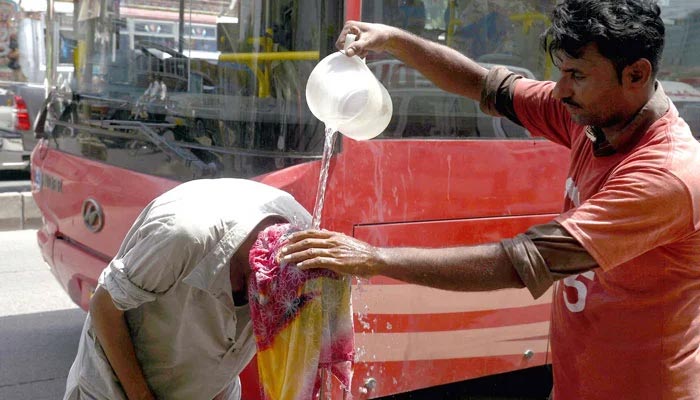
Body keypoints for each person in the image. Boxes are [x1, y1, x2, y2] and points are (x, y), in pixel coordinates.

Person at [278, 1, 700, 399]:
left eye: (578, 76)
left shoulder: (663, 176)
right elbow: (486, 85)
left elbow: (520, 263)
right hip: (578, 383)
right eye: (561, 72)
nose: (560, 90)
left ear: (636, 74)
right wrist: (393, 39)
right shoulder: (596, 119)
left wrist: (373, 258)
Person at [63, 178, 311, 400]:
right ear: (258, 270)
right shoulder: (183, 238)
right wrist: (142, 396)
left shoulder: (307, 247)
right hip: (117, 388)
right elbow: (104, 307)